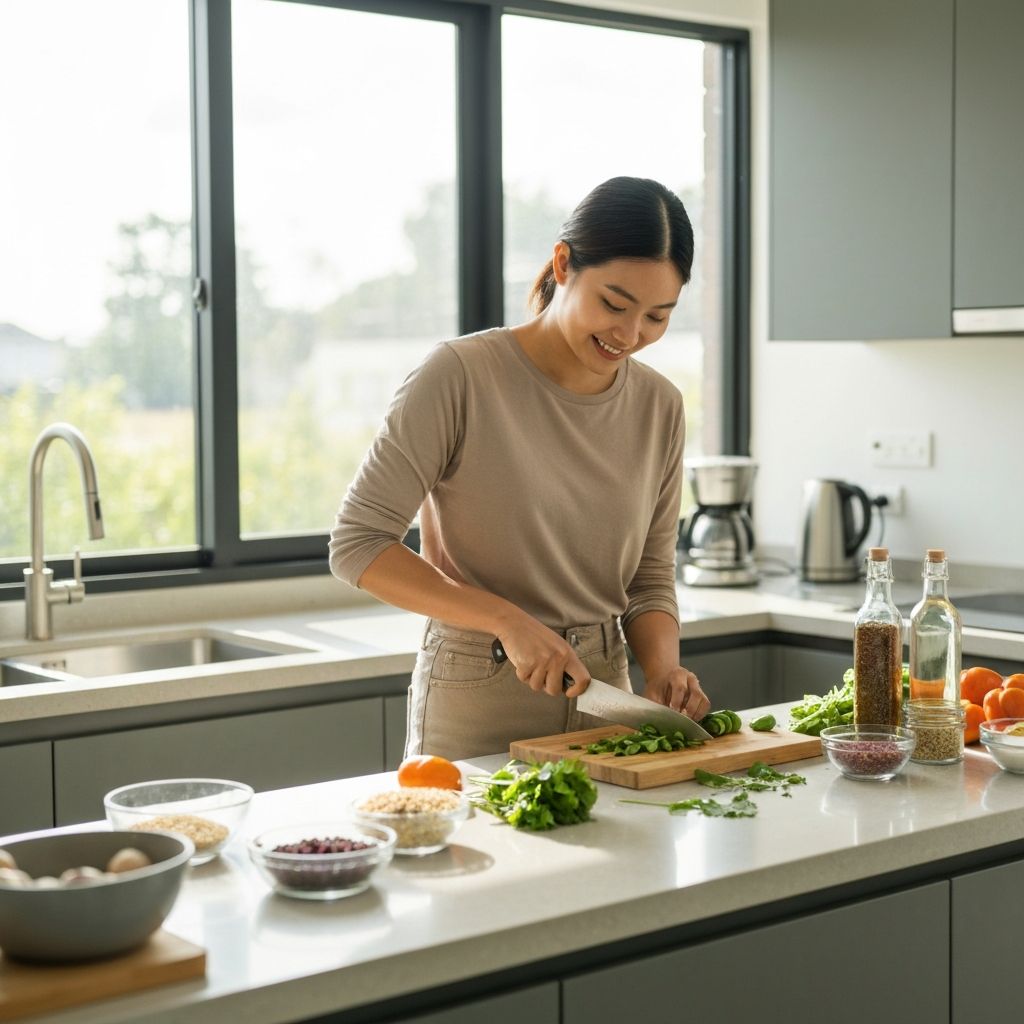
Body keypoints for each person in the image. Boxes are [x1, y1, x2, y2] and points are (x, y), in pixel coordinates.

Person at [329, 175, 710, 761]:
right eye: (613, 303)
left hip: (607, 695)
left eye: (658, 316)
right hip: (478, 688)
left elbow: (649, 578)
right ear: (563, 264)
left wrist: (663, 669)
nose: (630, 335)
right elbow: (357, 544)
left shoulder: (660, 406)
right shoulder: (459, 376)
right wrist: (506, 621)